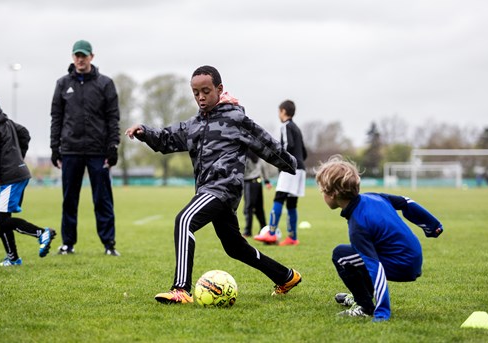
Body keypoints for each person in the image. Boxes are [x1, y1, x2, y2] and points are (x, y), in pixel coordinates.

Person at [125, 65, 302, 304]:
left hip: (224, 188)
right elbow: (167, 139)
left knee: (185, 220)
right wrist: (145, 132)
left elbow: (267, 144)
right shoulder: (194, 124)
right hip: (207, 191)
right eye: (195, 92)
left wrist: (292, 164)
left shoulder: (236, 119)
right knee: (235, 247)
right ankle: (286, 276)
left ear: (219, 89)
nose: (200, 97)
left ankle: (181, 289)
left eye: (206, 91)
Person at [314, 155, 443, 321]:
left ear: (332, 194)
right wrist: (432, 225)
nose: (322, 195)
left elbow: (375, 267)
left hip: (403, 264)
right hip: (413, 256)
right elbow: (405, 202)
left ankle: (365, 306)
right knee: (356, 254)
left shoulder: (358, 225)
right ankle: (361, 296)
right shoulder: (373, 196)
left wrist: (382, 313)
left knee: (341, 255)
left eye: (322, 191)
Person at [0, 90, 55, 266]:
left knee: (1, 219)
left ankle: (41, 233)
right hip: (19, 174)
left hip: (12, 177)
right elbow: (25, 134)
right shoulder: (5, 121)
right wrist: (18, 157)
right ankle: (13, 258)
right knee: (2, 219)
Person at [50, 40, 121, 256]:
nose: (80, 59)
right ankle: (67, 244)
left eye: (84, 55)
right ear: (73, 57)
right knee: (69, 200)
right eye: (76, 55)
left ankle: (109, 245)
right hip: (70, 150)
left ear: (92, 56)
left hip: (98, 151)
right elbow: (56, 118)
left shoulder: (105, 83)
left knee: (102, 199)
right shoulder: (62, 84)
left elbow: (113, 118)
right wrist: (55, 148)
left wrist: (113, 146)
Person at [254, 100, 307, 246]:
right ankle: (292, 237)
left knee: (279, 198)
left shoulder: (285, 126)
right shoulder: (297, 128)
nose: (279, 114)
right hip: (300, 168)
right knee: (291, 203)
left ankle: (271, 233)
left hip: (290, 168)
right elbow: (304, 152)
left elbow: (286, 146)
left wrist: (281, 162)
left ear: (283, 111)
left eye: (279, 111)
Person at [242, 149, 272, 237]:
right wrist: (266, 181)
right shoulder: (258, 155)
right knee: (259, 208)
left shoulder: (245, 155)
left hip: (249, 183)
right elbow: (264, 167)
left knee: (248, 208)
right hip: (258, 184)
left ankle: (248, 231)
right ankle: (263, 228)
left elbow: (243, 169)